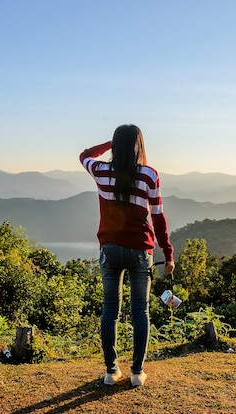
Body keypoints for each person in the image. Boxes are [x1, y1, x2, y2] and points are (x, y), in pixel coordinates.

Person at [79, 124, 175, 387]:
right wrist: (168, 254)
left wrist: (111, 145)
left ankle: (111, 372)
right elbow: (159, 218)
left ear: (115, 144)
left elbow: (84, 154)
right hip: (139, 251)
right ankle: (136, 373)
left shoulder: (100, 171)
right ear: (139, 145)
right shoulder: (148, 175)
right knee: (140, 311)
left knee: (109, 310)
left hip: (109, 249)